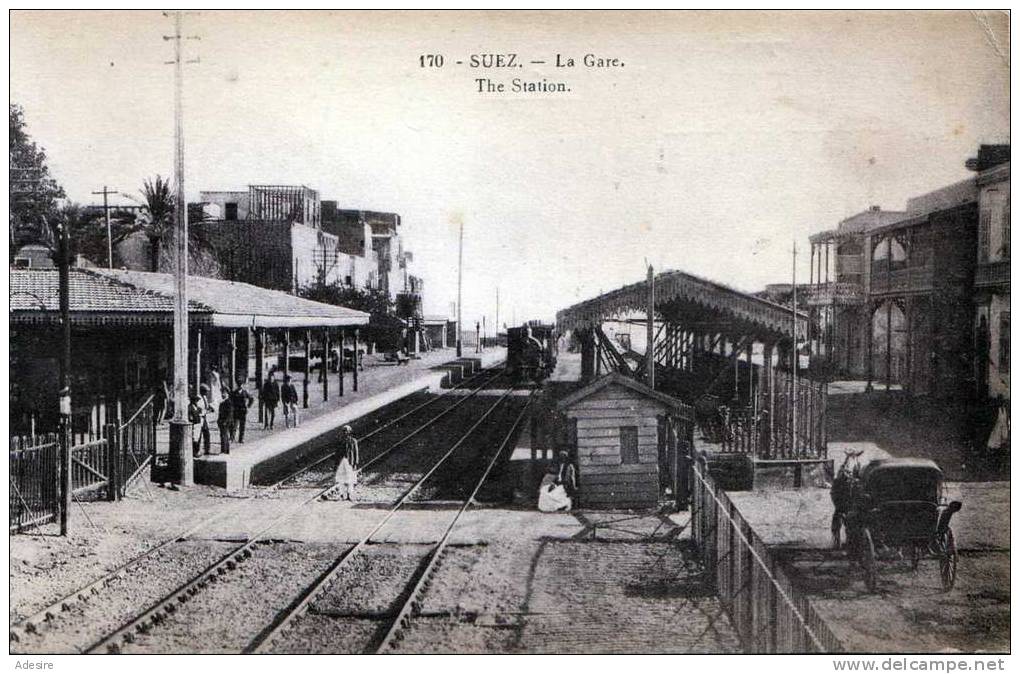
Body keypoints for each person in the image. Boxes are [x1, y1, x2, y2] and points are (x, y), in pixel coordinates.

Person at [333, 425, 360, 501]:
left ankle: (349, 494)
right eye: (344, 431)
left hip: (349, 462)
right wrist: (336, 464)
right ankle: (341, 495)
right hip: (341, 462)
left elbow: (356, 452)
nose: (345, 433)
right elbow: (337, 453)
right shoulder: (339, 441)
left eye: (346, 431)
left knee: (350, 480)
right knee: (341, 480)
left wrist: (355, 463)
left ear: (349, 432)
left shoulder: (353, 441)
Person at [230, 378, 254, 443]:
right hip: (236, 411)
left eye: (241, 385)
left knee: (242, 426)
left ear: (242, 385)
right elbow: (231, 401)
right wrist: (232, 408)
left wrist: (248, 406)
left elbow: (251, 399)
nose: (240, 386)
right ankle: (232, 438)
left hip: (243, 411)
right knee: (234, 425)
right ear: (237, 385)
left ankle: (241, 439)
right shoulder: (234, 393)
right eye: (238, 385)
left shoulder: (245, 392)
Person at [217, 387, 234, 454]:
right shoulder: (222, 403)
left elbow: (230, 414)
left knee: (224, 435)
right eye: (222, 393)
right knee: (223, 435)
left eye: (224, 393)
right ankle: (224, 450)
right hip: (222, 422)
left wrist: (226, 422)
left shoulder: (228, 402)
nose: (222, 394)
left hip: (226, 422)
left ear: (227, 394)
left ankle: (225, 450)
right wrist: (218, 421)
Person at [197, 384, 212, 455]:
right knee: (198, 435)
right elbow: (199, 409)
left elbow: (207, 406)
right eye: (206, 391)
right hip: (200, 418)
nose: (207, 393)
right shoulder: (198, 398)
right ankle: (196, 450)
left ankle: (207, 449)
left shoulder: (205, 398)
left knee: (207, 434)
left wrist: (210, 408)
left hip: (205, 418)